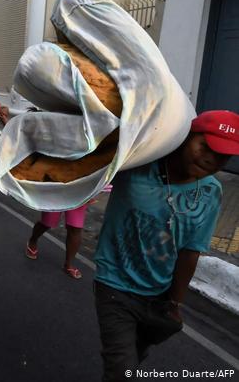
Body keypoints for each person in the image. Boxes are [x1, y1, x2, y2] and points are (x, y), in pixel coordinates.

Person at [93, 110, 239, 381]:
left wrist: (175, 302)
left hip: (158, 294)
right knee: (121, 369)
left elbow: (190, 251)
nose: (211, 160)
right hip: (114, 284)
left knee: (134, 356)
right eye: (206, 147)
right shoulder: (138, 164)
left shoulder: (211, 192)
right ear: (186, 136)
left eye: (223, 156)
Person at [25, 204, 87, 279]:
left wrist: (93, 193)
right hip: (56, 194)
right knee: (47, 222)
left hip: (79, 195)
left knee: (75, 227)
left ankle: (68, 264)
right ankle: (33, 240)